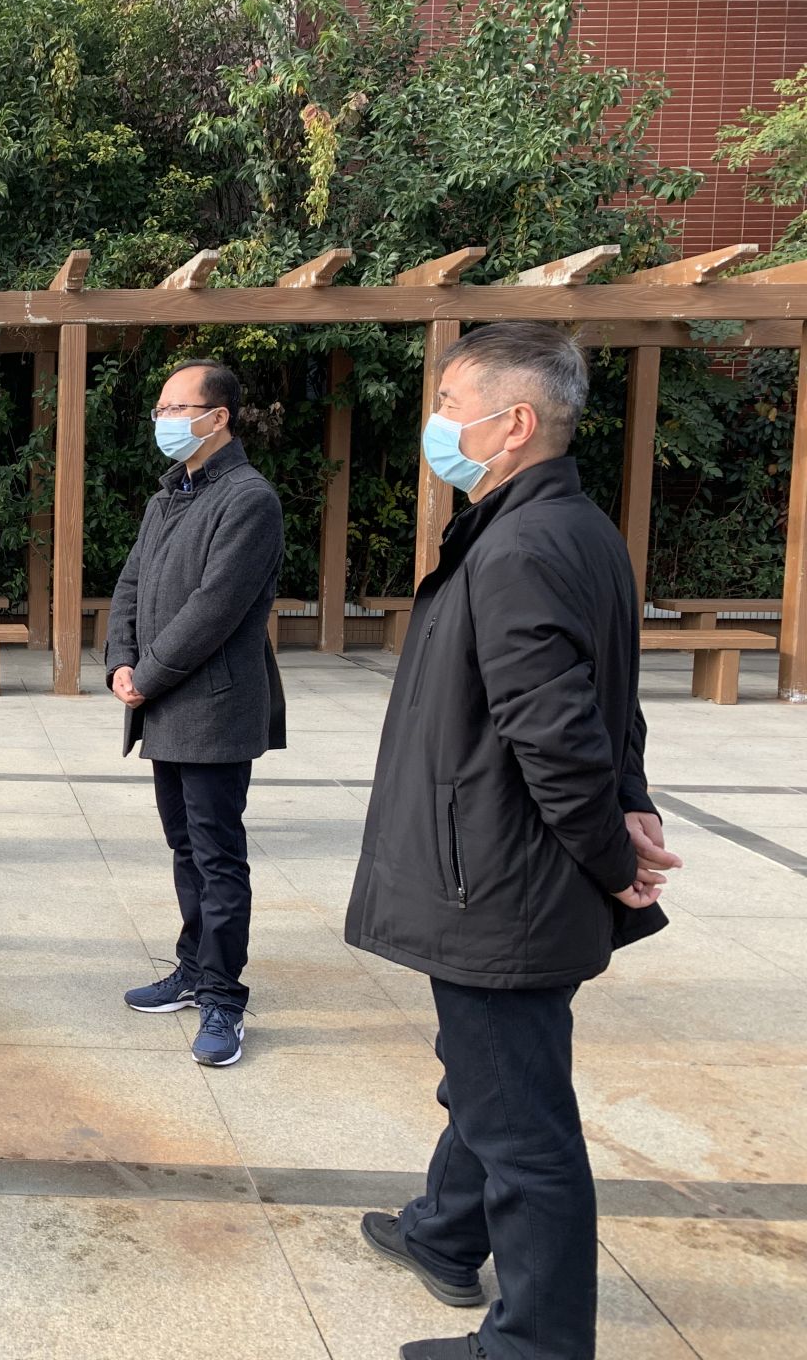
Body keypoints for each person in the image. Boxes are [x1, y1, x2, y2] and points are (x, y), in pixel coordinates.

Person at [343, 322, 679, 1360]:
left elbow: (559, 735)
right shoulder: (571, 528)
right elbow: (609, 700)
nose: (438, 423)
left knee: (522, 1124)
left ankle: (538, 1343)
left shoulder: (522, 546)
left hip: (497, 881)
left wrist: (615, 855)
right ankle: (444, 1231)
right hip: (507, 871)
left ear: (516, 422)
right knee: (489, 1073)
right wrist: (630, 800)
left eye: (452, 404)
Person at [107, 359, 285, 1068]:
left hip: (213, 709)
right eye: (160, 408)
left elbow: (215, 607)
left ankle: (222, 996)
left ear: (219, 418)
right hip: (163, 705)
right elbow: (129, 583)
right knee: (186, 847)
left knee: (217, 856)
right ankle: (192, 965)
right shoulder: (167, 496)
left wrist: (146, 675)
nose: (165, 420)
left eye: (178, 408)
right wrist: (121, 660)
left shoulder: (249, 499)